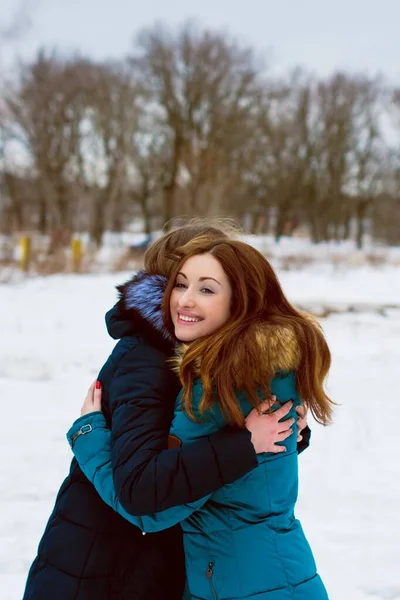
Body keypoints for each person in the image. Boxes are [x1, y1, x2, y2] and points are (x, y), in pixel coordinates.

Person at [23, 223, 309, 600]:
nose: (190, 299)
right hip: (107, 561)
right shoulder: (149, 358)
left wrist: (287, 432)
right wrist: (244, 445)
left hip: (155, 552)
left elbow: (204, 438)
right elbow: (142, 487)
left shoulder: (208, 353)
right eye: (185, 283)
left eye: (209, 286)